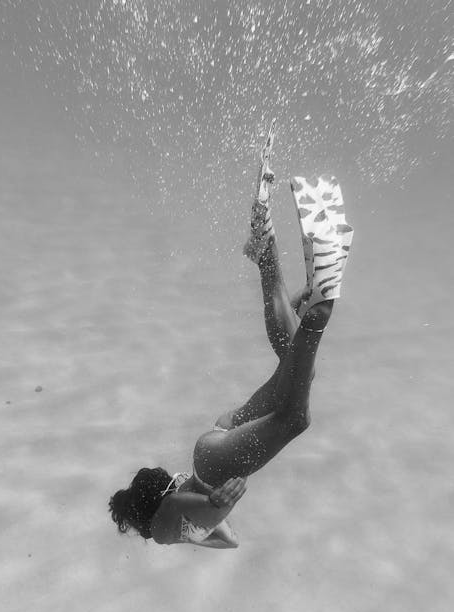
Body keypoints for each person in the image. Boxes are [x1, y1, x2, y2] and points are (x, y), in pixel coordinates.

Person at [109, 123, 354, 549]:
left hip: (216, 467)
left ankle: (318, 310)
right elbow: (229, 541)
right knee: (294, 375)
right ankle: (266, 254)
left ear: (140, 520)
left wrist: (217, 507)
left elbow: (202, 518)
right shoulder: (175, 521)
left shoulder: (163, 530)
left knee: (297, 418)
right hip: (214, 441)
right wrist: (210, 518)